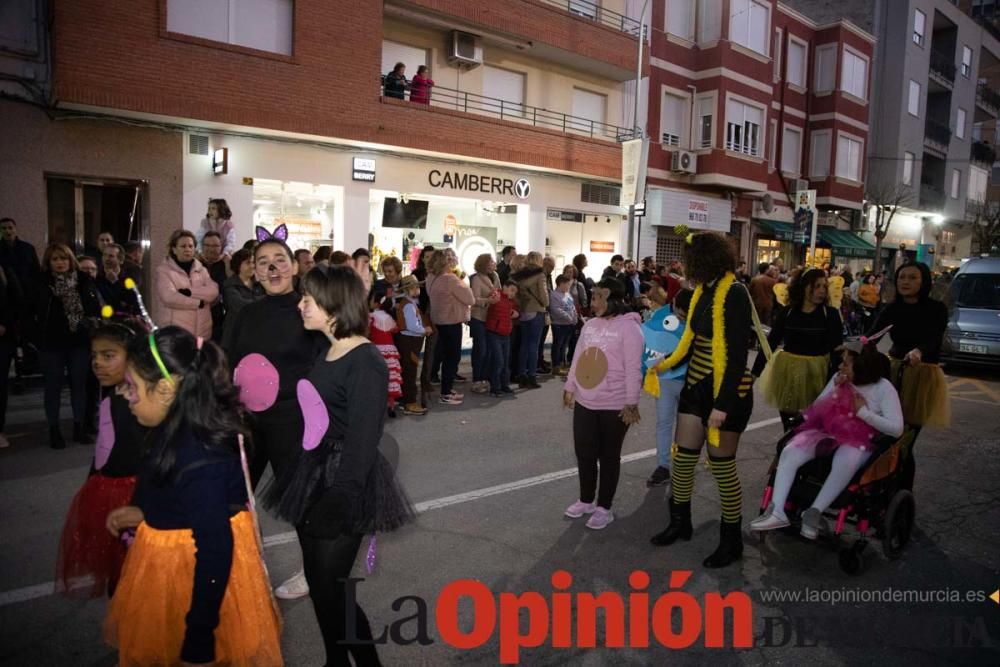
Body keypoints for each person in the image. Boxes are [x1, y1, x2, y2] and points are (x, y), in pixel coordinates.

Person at [103, 326, 282, 666]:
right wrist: (147, 513)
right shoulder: (168, 429)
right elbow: (173, 492)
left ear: (167, 389)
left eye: (133, 388)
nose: (126, 396)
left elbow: (215, 550)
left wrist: (199, 637)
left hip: (197, 575)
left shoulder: (201, 458)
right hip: (170, 560)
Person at [264, 265, 414, 666]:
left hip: (344, 480)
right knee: (320, 584)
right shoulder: (326, 347)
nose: (300, 305)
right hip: (314, 472)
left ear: (331, 306)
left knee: (333, 590)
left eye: (307, 299)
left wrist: (341, 497)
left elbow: (364, 440)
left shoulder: (366, 361)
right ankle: (336, 660)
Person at [644, 232, 756, 568]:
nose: (685, 264)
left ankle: (731, 540)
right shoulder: (700, 294)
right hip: (696, 386)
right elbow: (689, 343)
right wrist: (662, 365)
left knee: (722, 467)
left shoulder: (734, 293)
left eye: (689, 258)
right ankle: (680, 523)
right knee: (682, 459)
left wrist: (722, 406)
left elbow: (737, 355)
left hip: (728, 392)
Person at [224, 231, 323, 600]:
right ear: (255, 271)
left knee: (300, 500)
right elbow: (226, 359)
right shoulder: (245, 313)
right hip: (247, 422)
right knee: (233, 494)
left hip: (292, 422)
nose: (272, 267)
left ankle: (312, 570)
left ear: (295, 266)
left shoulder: (310, 309)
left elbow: (327, 363)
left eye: (279, 259)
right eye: (263, 262)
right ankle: (239, 567)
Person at [751, 339, 904, 538]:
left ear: (861, 366)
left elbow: (897, 429)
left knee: (845, 460)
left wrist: (864, 413)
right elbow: (818, 407)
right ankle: (777, 511)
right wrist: (835, 389)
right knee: (790, 451)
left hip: (860, 439)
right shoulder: (839, 378)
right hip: (828, 432)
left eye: (846, 363)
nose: (841, 367)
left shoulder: (883, 388)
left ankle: (813, 513)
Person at [56, 319, 149, 597]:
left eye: (108, 356)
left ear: (134, 358)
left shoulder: (139, 403)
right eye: (95, 356)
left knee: (135, 572)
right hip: (105, 490)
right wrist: (92, 481)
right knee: (117, 572)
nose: (97, 363)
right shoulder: (112, 392)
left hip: (133, 495)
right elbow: (104, 446)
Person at [562, 278, 644, 530]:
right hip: (587, 401)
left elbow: (633, 369)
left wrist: (631, 402)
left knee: (608, 456)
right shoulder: (590, 326)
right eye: (593, 296)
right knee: (585, 453)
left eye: (598, 297)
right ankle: (586, 500)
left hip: (615, 404)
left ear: (613, 300)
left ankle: (603, 507)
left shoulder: (630, 329)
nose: (593, 302)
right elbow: (578, 356)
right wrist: (570, 386)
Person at [753, 268, 843, 430]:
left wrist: (834, 381)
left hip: (818, 374)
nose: (822, 291)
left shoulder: (830, 314)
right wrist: (754, 373)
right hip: (789, 373)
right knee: (790, 426)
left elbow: (837, 351)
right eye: (816, 286)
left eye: (824, 286)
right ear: (803, 287)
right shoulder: (788, 312)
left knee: (814, 425)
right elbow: (771, 342)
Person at [869, 262, 950, 435]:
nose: (905, 282)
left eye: (913, 278)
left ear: (924, 281)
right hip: (894, 371)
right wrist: (854, 347)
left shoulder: (937, 309)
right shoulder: (891, 308)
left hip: (922, 374)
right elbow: (873, 336)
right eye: (902, 277)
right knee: (886, 434)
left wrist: (919, 351)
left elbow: (934, 338)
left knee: (908, 435)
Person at [37, 244, 101, 449]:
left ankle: (79, 427)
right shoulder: (41, 282)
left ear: (70, 260)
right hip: (51, 343)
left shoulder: (84, 280)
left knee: (79, 386)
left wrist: (91, 325)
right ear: (49, 262)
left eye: (63, 258)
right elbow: (32, 311)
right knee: (53, 387)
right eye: (55, 259)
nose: (60, 262)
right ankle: (54, 429)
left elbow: (95, 308)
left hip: (79, 342)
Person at [643, 289, 692, 488]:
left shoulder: (697, 318)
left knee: (687, 426)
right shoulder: (658, 316)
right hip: (665, 380)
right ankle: (663, 466)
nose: (682, 319)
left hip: (689, 381)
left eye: (686, 316)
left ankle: (682, 466)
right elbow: (646, 342)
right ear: (673, 303)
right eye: (680, 314)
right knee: (664, 423)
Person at [426, 249, 475, 405]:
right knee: (451, 358)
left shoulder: (431, 278)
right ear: (446, 261)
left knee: (445, 355)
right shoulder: (451, 279)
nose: (454, 260)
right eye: (451, 258)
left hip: (439, 321)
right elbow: (470, 298)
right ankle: (446, 393)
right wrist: (461, 281)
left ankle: (447, 389)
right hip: (451, 321)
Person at [154, 230, 218, 339]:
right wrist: (198, 303)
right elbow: (169, 297)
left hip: (202, 333)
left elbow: (213, 291)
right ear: (174, 249)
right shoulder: (164, 271)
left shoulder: (201, 269)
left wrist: (189, 292)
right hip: (176, 334)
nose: (187, 249)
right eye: (183, 246)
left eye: (190, 246)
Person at [394, 275, 431, 416]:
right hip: (410, 341)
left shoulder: (409, 303)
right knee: (410, 371)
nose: (417, 290)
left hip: (410, 340)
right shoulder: (409, 305)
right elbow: (412, 325)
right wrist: (424, 329)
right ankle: (410, 401)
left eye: (417, 287)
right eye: (413, 287)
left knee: (408, 369)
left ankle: (405, 399)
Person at [512, 251, 549, 389]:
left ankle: (522, 375)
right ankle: (532, 376)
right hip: (536, 311)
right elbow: (544, 297)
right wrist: (546, 303)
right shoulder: (540, 275)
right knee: (534, 345)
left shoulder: (519, 275)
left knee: (524, 345)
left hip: (523, 311)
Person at [469, 253, 501, 394]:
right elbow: (474, 300)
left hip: (492, 317)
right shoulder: (476, 279)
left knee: (488, 350)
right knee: (480, 349)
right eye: (491, 261)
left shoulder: (496, 276)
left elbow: (499, 292)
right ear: (484, 264)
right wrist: (489, 300)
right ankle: (477, 379)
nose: (494, 263)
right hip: (478, 318)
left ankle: (484, 377)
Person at [370, 299, 403, 417]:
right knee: (391, 377)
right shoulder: (388, 318)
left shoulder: (371, 317)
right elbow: (395, 329)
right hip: (390, 348)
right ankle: (391, 406)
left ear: (377, 304)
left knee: (377, 377)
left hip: (376, 349)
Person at [221, 248, 261, 343]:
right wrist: (261, 301)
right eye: (248, 263)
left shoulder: (259, 283)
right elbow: (239, 305)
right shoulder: (230, 284)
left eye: (253, 262)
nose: (252, 266)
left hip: (255, 332)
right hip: (235, 333)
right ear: (238, 265)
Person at [486, 281, 519, 397]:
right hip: (494, 333)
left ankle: (504, 384)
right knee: (498, 361)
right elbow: (490, 303)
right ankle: (495, 387)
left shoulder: (511, 302)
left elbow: (515, 312)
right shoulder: (496, 296)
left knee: (505, 361)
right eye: (512, 290)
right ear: (504, 287)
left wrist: (516, 313)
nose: (513, 293)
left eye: (515, 292)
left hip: (506, 334)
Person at [200, 231, 228, 342]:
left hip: (220, 317)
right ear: (202, 247)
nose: (211, 249)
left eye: (215, 245)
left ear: (221, 247)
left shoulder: (226, 265)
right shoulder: (195, 265)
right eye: (207, 245)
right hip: (199, 314)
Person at [549, 274, 578, 375]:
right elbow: (555, 309)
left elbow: (572, 307)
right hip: (559, 324)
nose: (568, 287)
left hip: (569, 324)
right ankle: (556, 365)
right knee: (558, 345)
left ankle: (562, 363)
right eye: (567, 284)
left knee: (564, 345)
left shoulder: (567, 294)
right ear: (561, 284)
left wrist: (575, 317)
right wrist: (568, 317)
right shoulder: (554, 295)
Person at [749, 262, 777, 327]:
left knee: (756, 323)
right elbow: (775, 293)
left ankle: (756, 336)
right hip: (768, 304)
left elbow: (749, 292)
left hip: (756, 304)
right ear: (767, 269)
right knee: (766, 323)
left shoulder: (754, 279)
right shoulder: (772, 281)